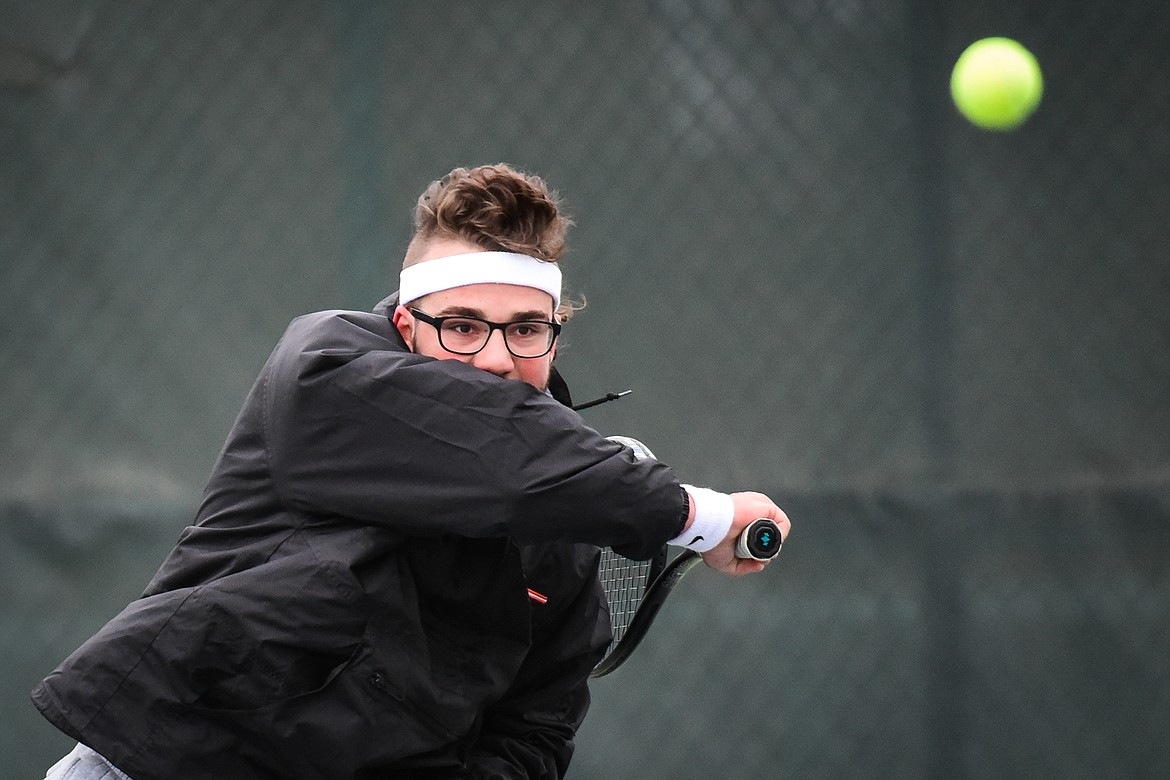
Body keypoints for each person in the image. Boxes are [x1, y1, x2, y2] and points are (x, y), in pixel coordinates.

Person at [33, 163, 791, 779]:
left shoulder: (571, 524)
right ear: (404, 324)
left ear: (556, 334)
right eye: (462, 327)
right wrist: (704, 516)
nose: (497, 358)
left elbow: (533, 732)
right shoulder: (326, 373)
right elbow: (500, 456)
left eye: (527, 329)